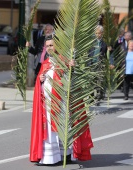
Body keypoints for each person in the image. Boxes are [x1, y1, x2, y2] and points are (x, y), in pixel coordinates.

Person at [30, 34, 93, 166]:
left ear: (58, 46)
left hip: (62, 103)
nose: (49, 48)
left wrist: (72, 68)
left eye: (51, 45)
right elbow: (40, 81)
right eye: (47, 46)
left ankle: (66, 154)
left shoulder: (65, 61)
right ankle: (49, 157)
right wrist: (40, 80)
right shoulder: (46, 63)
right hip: (47, 104)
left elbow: (73, 81)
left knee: (63, 129)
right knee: (49, 130)